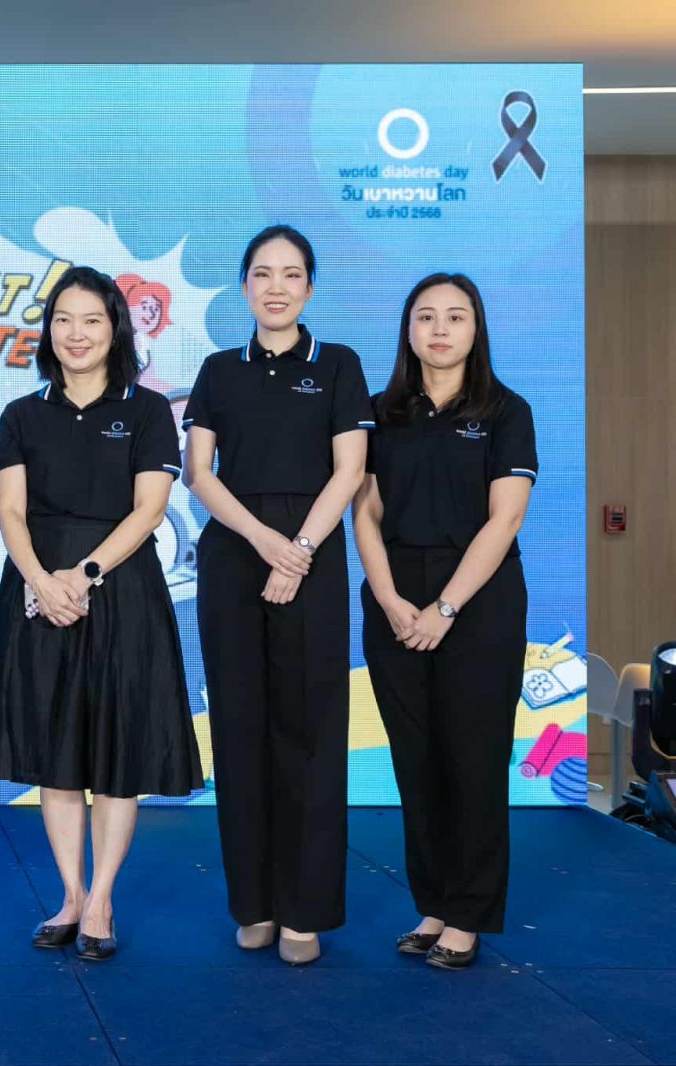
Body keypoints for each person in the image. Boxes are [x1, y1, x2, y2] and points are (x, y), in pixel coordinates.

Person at [0, 267, 201, 962]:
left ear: (115, 330)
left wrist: (84, 575)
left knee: (116, 752)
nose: (76, 334)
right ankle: (70, 895)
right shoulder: (22, 415)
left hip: (120, 592)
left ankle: (102, 898)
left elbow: (150, 509)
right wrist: (41, 581)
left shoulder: (146, 410)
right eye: (64, 319)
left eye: (92, 320)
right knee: (57, 753)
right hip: (39, 594)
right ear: (49, 330)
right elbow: (11, 511)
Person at [181, 226, 370, 965]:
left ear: (310, 287)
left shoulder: (338, 365)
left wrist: (299, 552)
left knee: (311, 733)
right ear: (245, 286)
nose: (277, 287)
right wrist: (264, 541)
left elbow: (349, 471)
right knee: (239, 729)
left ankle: (304, 911)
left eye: (292, 274)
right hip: (235, 554)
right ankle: (253, 903)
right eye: (263, 274)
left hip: (312, 557)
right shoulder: (218, 370)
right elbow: (200, 472)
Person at [352, 273, 535, 970]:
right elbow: (364, 510)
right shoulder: (381, 412)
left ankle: (469, 914)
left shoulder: (506, 411)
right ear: (408, 329)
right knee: (416, 760)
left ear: (475, 328)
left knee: (474, 758)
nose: (439, 329)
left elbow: (505, 519)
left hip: (479, 601)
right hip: (395, 599)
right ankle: (433, 902)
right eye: (425, 316)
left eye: (455, 317)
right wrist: (390, 598)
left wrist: (446, 608)